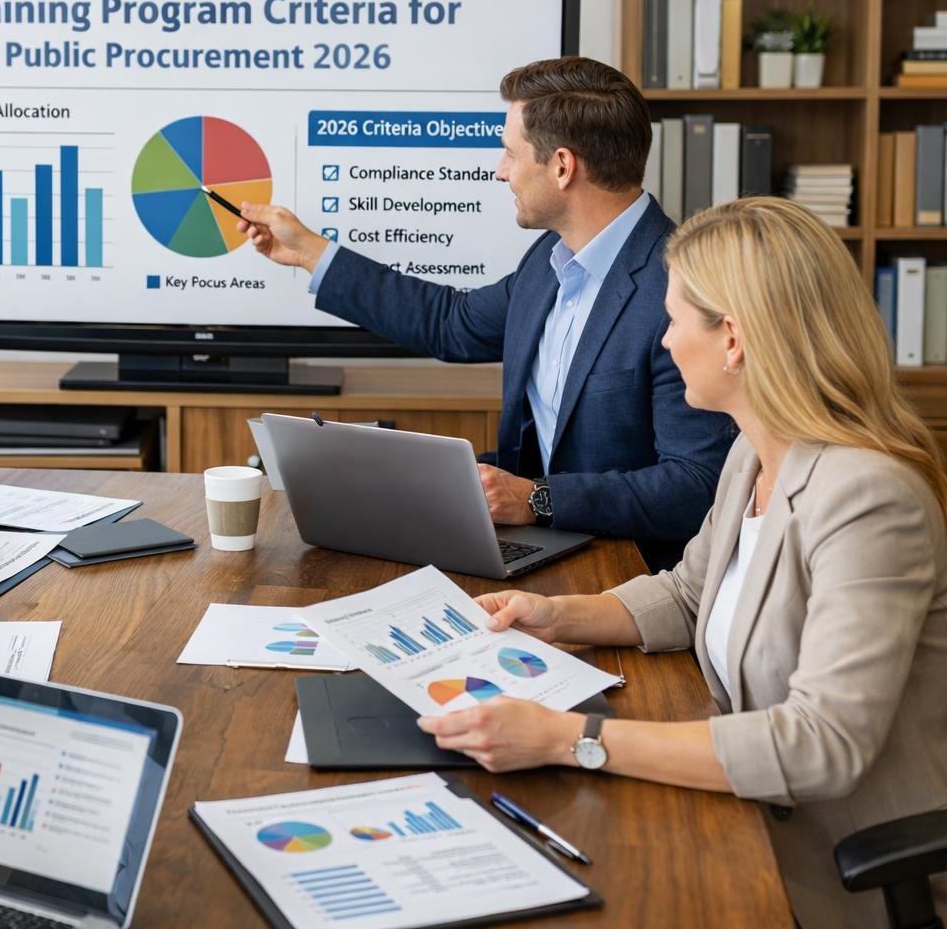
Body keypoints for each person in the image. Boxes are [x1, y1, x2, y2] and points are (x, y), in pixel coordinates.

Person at [416, 197, 947, 928]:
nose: (663, 342)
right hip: (738, 820)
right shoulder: (752, 451)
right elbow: (691, 593)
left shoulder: (868, 498)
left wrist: (568, 740)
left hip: (836, 878)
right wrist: (554, 616)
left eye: (672, 321)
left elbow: (821, 745)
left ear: (732, 339)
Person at [240, 57, 732, 569]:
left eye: (510, 153)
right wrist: (309, 251)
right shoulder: (548, 262)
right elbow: (451, 324)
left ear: (562, 166)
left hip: (627, 571)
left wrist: (536, 498)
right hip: (535, 550)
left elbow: (696, 485)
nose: (501, 171)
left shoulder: (683, 288)